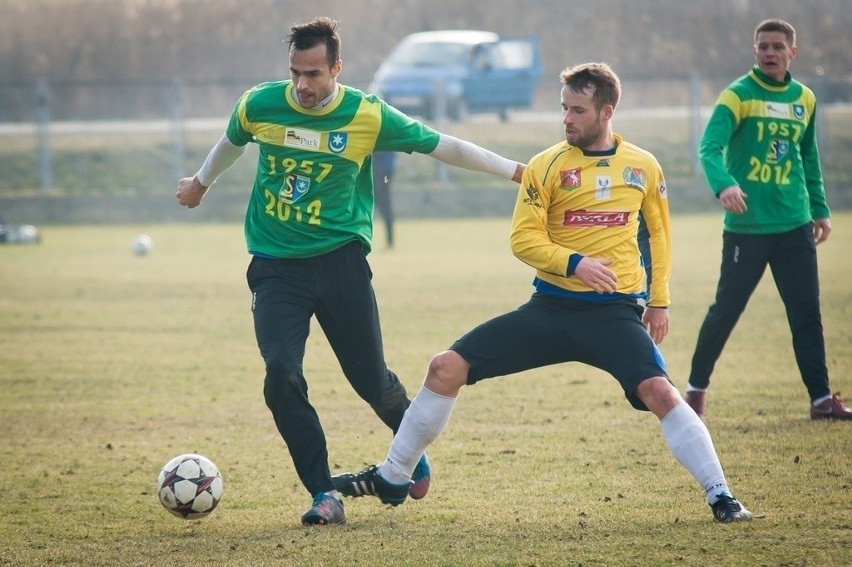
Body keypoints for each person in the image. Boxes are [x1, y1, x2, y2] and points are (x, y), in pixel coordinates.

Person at [333, 62, 753, 523]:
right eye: (563, 109)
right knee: (444, 367)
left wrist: (659, 301)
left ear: (606, 112)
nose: (567, 119)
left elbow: (659, 234)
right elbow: (523, 240)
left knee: (661, 392)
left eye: (578, 110)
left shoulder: (644, 167)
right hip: (550, 308)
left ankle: (722, 496)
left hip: (614, 315)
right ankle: (395, 473)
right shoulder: (546, 165)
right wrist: (575, 263)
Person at [175, 17, 525, 526]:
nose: (303, 85)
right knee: (281, 376)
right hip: (275, 268)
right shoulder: (258, 104)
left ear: (337, 67)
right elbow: (232, 141)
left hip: (341, 263)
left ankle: (408, 458)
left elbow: (444, 145)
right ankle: (324, 494)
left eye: (314, 73)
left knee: (372, 382)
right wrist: (202, 182)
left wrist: (516, 171)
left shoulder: (366, 114)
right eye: (296, 72)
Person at [684, 18, 851, 421]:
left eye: (778, 46)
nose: (770, 53)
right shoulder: (737, 96)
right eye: (763, 47)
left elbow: (808, 157)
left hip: (794, 224)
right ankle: (694, 392)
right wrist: (724, 185)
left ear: (793, 51)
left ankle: (821, 400)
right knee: (726, 310)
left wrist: (820, 209)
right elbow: (709, 148)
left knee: (806, 312)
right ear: (754, 51)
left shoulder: (804, 99)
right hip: (748, 228)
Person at [372, 151, 397, 247]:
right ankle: (389, 240)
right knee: (378, 202)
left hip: (383, 171)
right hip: (383, 169)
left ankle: (390, 240)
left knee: (383, 202)